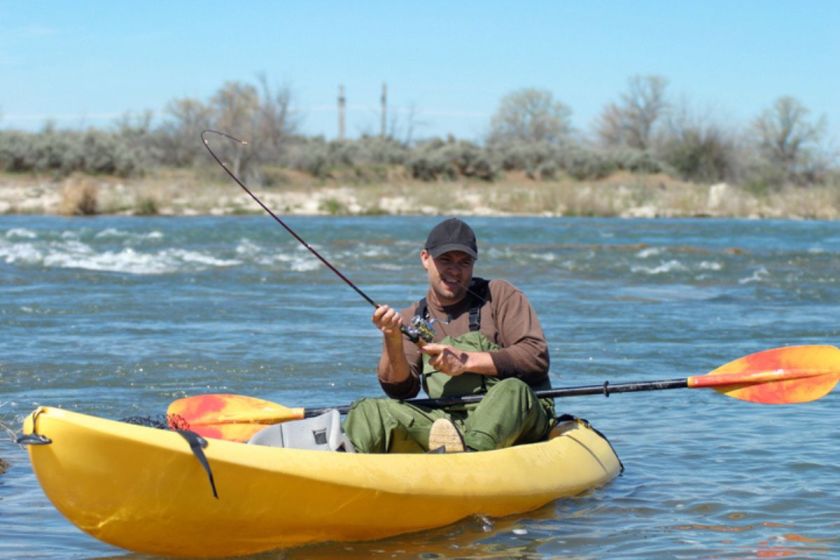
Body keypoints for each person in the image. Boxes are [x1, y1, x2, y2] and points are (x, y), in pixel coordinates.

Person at [344, 217, 555, 453]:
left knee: (512, 389)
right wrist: (392, 340)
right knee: (368, 409)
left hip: (520, 417)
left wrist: (465, 361)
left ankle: (467, 459)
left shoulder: (500, 295)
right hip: (447, 425)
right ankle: (341, 465)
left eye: (464, 262)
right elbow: (401, 391)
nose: (455, 270)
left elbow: (536, 356)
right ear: (425, 258)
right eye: (445, 260)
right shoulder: (411, 317)